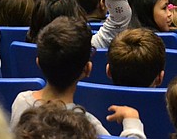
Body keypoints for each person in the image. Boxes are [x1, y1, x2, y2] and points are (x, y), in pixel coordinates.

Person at [10, 16, 145, 137]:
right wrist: (132, 122)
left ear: (38, 62)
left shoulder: (20, 102)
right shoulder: (86, 124)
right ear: (87, 69)